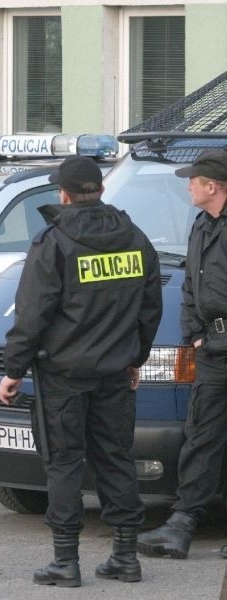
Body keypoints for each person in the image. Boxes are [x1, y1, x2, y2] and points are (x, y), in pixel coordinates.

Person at [0, 155, 162, 587]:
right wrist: (135, 358)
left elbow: (32, 313)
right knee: (116, 459)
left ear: (64, 194)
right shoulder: (136, 238)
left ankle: (65, 563)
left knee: (65, 462)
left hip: (64, 376)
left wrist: (13, 369)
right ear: (101, 191)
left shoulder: (54, 242)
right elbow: (150, 308)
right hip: (114, 373)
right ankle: (125, 557)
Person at [138, 149, 227, 560]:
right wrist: (194, 335)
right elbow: (192, 286)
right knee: (201, 437)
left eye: (193, 180)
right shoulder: (201, 225)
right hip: (212, 349)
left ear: (213, 186)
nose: (187, 185)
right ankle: (181, 525)